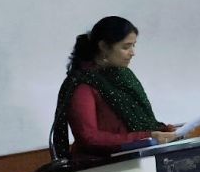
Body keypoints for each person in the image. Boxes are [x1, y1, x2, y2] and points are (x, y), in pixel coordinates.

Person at [50, 16, 178, 160]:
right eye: (126, 47)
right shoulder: (83, 85)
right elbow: (89, 137)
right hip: (100, 165)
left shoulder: (124, 77)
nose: (132, 52)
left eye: (133, 45)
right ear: (104, 47)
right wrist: (147, 137)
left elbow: (140, 123)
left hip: (137, 159)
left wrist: (162, 131)